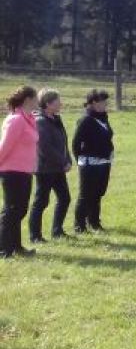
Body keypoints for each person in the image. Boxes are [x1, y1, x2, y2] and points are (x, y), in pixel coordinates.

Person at [0, 86, 40, 258]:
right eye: (36, 98)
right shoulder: (16, 120)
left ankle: (16, 246)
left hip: (25, 171)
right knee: (11, 210)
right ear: (28, 100)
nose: (38, 101)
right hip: (12, 171)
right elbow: (4, 146)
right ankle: (3, 249)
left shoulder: (30, 119)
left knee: (20, 210)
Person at [29, 89, 72, 243]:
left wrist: (68, 159)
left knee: (65, 198)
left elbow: (63, 142)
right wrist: (63, 162)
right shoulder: (40, 121)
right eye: (57, 101)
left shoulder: (55, 119)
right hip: (45, 169)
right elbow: (45, 148)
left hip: (58, 167)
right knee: (41, 202)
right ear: (48, 104)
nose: (61, 103)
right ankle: (35, 236)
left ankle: (57, 230)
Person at [72, 89, 113, 234]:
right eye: (103, 101)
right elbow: (76, 143)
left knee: (98, 193)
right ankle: (79, 225)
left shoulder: (103, 118)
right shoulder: (86, 120)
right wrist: (80, 161)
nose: (106, 104)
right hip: (89, 163)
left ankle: (94, 222)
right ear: (94, 103)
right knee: (86, 195)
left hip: (104, 162)